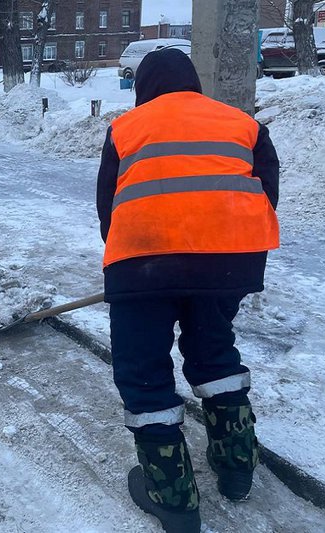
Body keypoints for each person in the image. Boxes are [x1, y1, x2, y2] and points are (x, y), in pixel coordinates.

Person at [96, 49, 279, 532]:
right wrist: (223, 251)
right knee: (215, 350)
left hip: (143, 267)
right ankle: (237, 468)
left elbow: (107, 207)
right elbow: (267, 192)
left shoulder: (126, 129)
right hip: (227, 265)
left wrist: (140, 268)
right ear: (193, 83)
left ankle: (172, 498)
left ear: (143, 88)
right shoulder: (241, 123)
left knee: (143, 370)